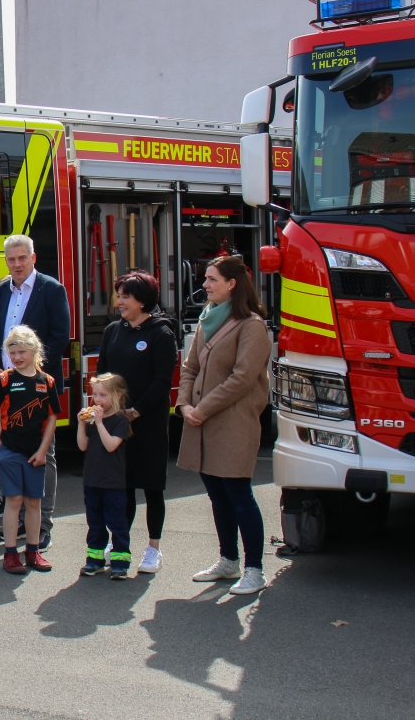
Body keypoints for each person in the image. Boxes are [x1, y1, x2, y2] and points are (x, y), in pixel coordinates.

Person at [177, 255, 272, 596]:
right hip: (203, 421)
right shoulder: (208, 318)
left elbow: (242, 378)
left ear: (232, 284)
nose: (204, 285)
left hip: (232, 423)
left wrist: (201, 409)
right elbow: (189, 368)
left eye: (212, 279)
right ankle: (229, 560)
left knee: (239, 496)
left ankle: (255, 570)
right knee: (218, 497)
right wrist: (184, 404)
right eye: (205, 278)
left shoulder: (252, 326)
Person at [0, 234, 71, 551]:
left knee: (42, 455)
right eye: (11, 259)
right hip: (5, 388)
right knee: (12, 454)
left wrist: (31, 371)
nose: (17, 264)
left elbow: (60, 337)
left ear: (33, 258)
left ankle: (42, 526)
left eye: (22, 258)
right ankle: (19, 522)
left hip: (37, 389)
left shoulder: (52, 289)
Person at [96, 271, 177, 575]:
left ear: (142, 300)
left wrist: (136, 411)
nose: (119, 302)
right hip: (118, 422)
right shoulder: (113, 331)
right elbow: (103, 372)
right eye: (119, 296)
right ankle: (119, 542)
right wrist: (105, 407)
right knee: (122, 486)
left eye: (126, 296)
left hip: (148, 422)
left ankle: (154, 549)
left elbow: (162, 381)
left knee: (152, 487)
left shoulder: (161, 333)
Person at [0, 326, 58, 574]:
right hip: (9, 451)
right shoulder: (5, 379)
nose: (17, 357)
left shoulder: (47, 381)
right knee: (14, 500)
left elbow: (52, 418)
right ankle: (10, 554)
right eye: (12, 352)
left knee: (33, 501)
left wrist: (42, 451)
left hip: (35, 453)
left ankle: (32, 551)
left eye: (21, 352)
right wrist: (1, 446)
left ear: (34, 350)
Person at [77, 373, 133, 579]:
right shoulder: (92, 421)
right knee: (95, 523)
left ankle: (120, 562)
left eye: (103, 395)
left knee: (117, 522)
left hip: (113, 482)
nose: (97, 400)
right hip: (92, 480)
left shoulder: (121, 421)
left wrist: (99, 423)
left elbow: (111, 446)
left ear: (118, 396)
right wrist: (82, 424)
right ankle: (94, 560)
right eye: (95, 395)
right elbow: (82, 446)